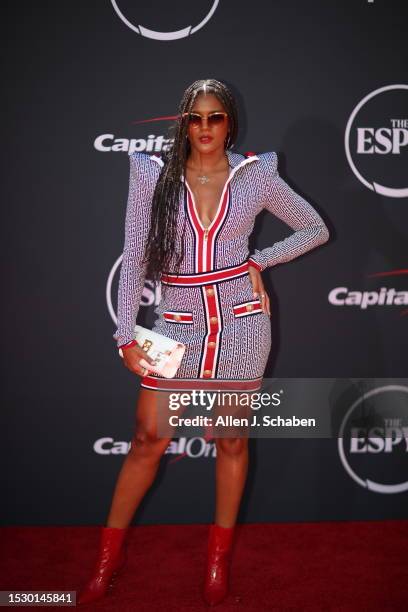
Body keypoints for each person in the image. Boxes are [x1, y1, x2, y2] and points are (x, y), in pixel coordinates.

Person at [78, 79, 329, 606]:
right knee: (148, 439)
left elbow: (313, 228)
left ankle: (216, 565)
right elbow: (134, 253)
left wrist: (259, 260)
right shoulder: (154, 174)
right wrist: (125, 332)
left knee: (233, 441)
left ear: (229, 122)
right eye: (196, 118)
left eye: (215, 117)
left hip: (241, 322)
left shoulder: (254, 175)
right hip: (173, 322)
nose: (205, 128)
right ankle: (108, 559)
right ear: (183, 122)